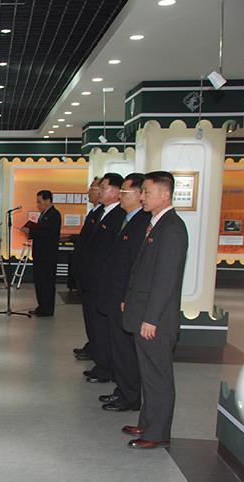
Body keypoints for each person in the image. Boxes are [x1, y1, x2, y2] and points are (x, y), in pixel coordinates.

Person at [121, 171, 188, 449]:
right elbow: (143, 270)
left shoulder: (172, 228)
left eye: (146, 192)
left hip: (156, 320)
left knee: (158, 376)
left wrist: (150, 318)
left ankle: (157, 432)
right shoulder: (156, 223)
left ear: (165, 194)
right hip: (143, 311)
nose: (142, 196)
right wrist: (129, 298)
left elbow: (165, 278)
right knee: (148, 373)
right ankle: (148, 421)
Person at [98, 173, 152, 413]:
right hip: (114, 293)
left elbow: (134, 266)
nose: (120, 195)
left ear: (140, 195)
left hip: (124, 297)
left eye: (125, 192)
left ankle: (130, 396)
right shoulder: (128, 219)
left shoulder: (142, 223)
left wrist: (125, 297)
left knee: (125, 348)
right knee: (118, 346)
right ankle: (122, 390)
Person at [82, 173, 126, 384]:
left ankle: (105, 367)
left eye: (104, 187)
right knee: (94, 324)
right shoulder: (101, 213)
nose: (99, 191)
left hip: (103, 282)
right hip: (91, 279)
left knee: (102, 327)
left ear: (116, 192)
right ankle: (101, 363)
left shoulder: (118, 216)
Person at [73, 177, 103, 361]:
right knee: (90, 317)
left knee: (96, 319)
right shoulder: (96, 213)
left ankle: (97, 351)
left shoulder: (106, 214)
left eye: (92, 188)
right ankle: (92, 346)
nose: (88, 192)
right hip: (87, 274)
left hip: (96, 277)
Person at [21, 190, 61, 316]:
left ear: (48, 200)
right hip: (40, 254)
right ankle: (41, 306)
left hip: (48, 255)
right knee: (39, 282)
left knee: (47, 282)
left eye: (40, 201)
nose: (38, 204)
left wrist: (31, 232)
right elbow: (42, 230)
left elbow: (50, 233)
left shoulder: (54, 214)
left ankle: (47, 309)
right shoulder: (43, 214)